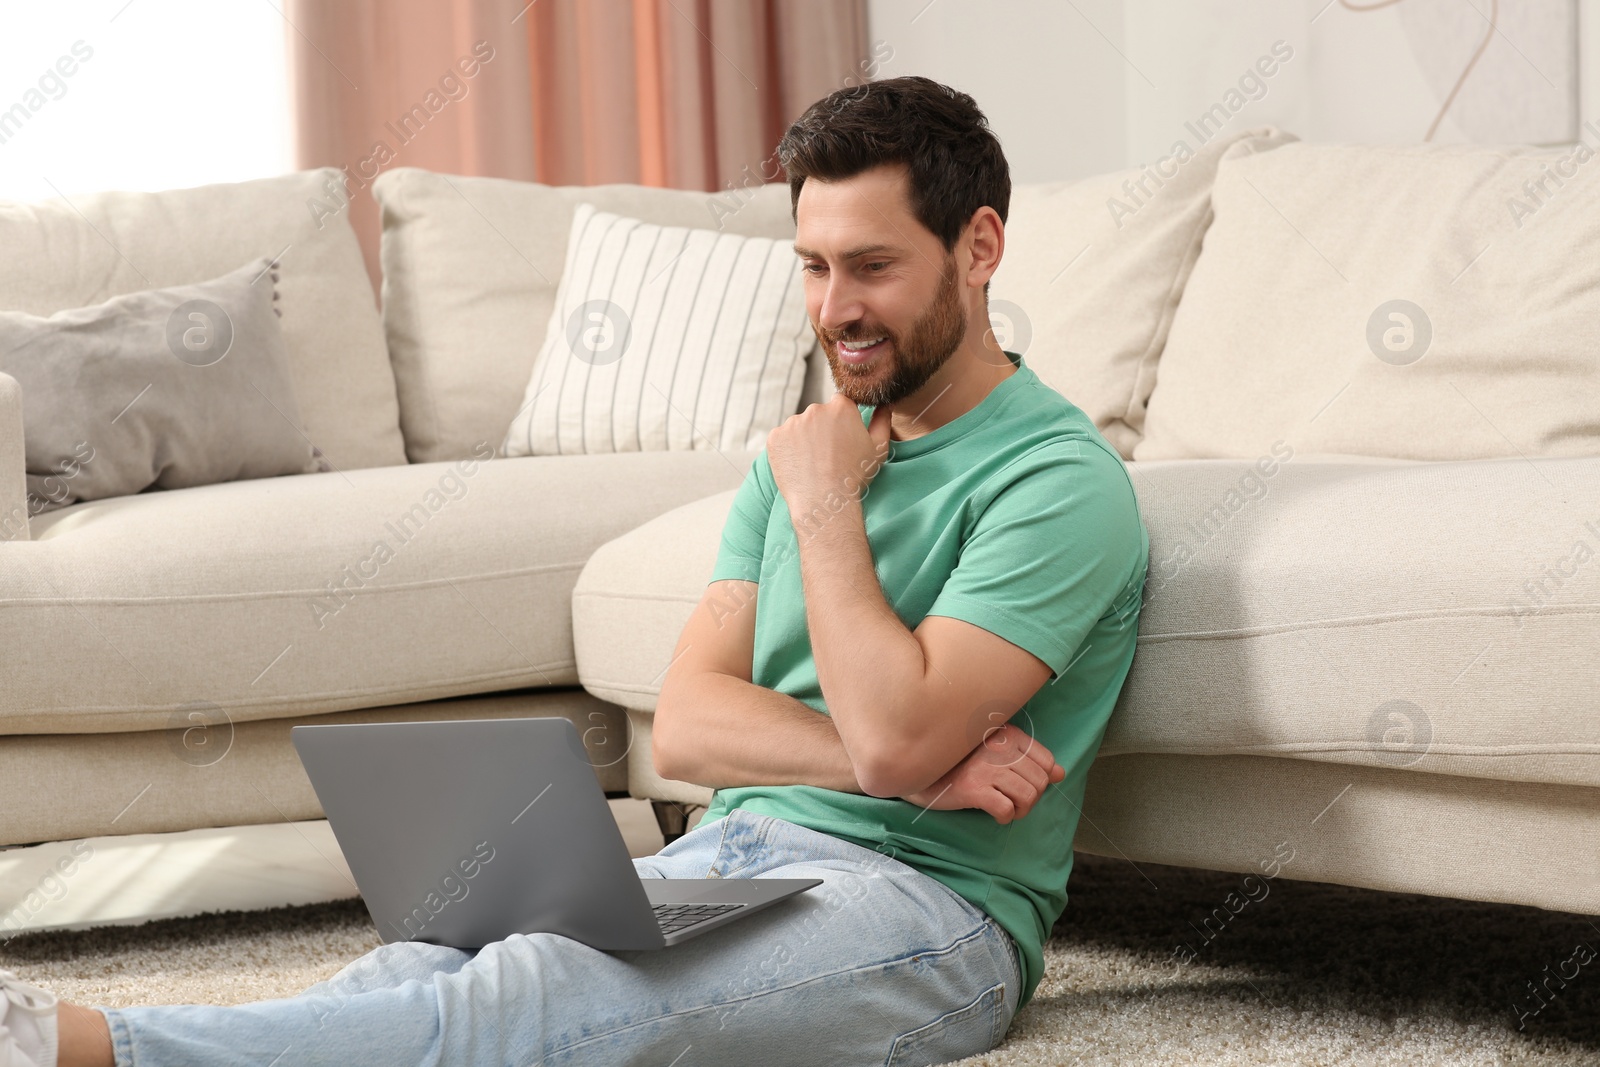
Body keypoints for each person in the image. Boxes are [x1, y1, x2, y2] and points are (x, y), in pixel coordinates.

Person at [0, 74, 1148, 1067]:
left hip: (931, 910)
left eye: (873, 267)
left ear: (980, 246)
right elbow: (692, 725)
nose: (834, 310)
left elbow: (901, 736)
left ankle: (86, 1047)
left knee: (540, 999)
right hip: (736, 850)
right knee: (434, 952)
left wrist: (829, 513)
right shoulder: (808, 452)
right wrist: (897, 760)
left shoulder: (1053, 481)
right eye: (810, 266)